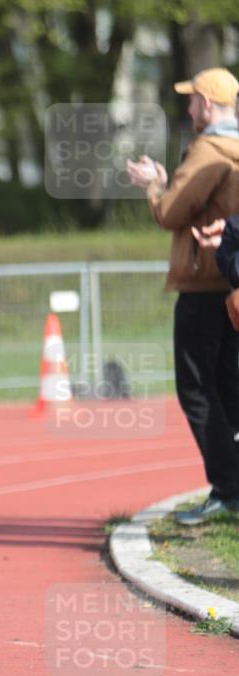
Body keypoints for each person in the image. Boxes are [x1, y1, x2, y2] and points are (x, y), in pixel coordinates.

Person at [126, 68, 239, 525]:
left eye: (192, 101)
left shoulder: (209, 149)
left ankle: (228, 489)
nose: (189, 108)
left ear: (207, 105)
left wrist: (155, 183)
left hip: (202, 286)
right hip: (231, 283)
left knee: (197, 389)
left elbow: (172, 212)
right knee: (229, 388)